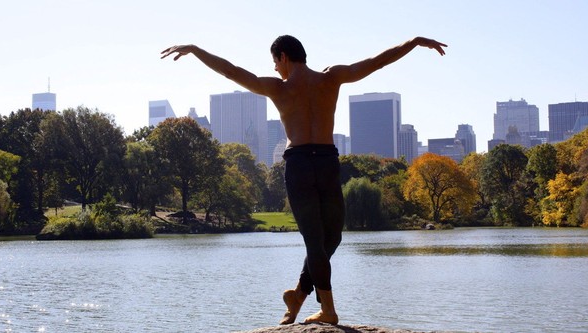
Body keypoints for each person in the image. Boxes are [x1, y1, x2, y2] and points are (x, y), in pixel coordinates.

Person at [161, 35, 447, 325]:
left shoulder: (306, 82)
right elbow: (376, 63)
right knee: (316, 241)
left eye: (275, 62)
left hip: (318, 160)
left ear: (284, 56)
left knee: (331, 238)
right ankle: (328, 310)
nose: (275, 69)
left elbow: (231, 70)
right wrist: (413, 43)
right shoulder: (320, 80)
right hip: (309, 162)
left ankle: (298, 294)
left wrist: (413, 43)